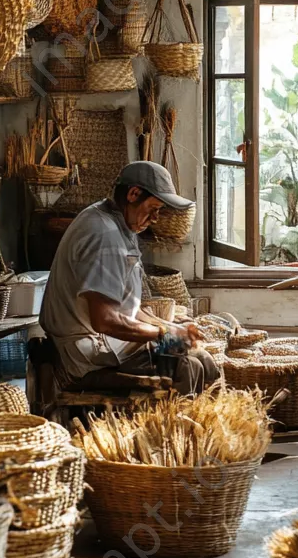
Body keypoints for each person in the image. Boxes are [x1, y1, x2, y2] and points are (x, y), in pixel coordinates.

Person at [32, 161, 218, 408]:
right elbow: (105, 320)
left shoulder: (114, 222)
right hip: (87, 355)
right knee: (187, 366)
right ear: (132, 194)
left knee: (203, 358)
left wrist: (171, 326)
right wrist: (164, 334)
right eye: (153, 208)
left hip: (105, 344)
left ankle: (213, 437)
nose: (155, 218)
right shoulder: (104, 234)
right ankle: (173, 440)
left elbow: (128, 308)